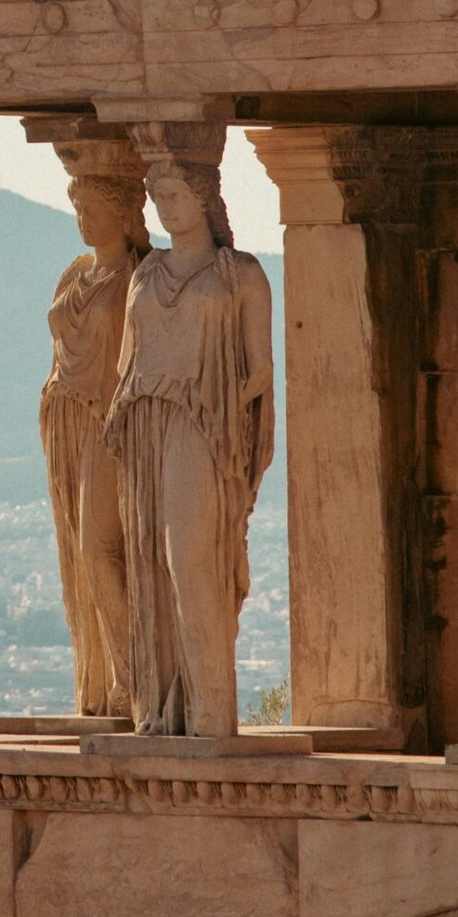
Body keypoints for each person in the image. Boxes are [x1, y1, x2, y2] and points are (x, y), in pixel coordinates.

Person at [105, 138, 274, 737]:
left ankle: (211, 710)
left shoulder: (241, 275)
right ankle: (166, 707)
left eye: (173, 194)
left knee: (190, 560)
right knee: (150, 561)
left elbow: (259, 371)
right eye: (154, 196)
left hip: (206, 426)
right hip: (147, 424)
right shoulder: (146, 274)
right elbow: (128, 359)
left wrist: (217, 404)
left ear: (204, 195)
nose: (162, 206)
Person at [40, 151, 149, 715]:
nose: (83, 217)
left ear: (126, 211)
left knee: (101, 547)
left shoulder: (139, 278)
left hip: (113, 423)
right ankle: (106, 681)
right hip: (67, 420)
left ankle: (136, 679)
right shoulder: (76, 275)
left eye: (95, 206)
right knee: (82, 554)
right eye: (77, 206)